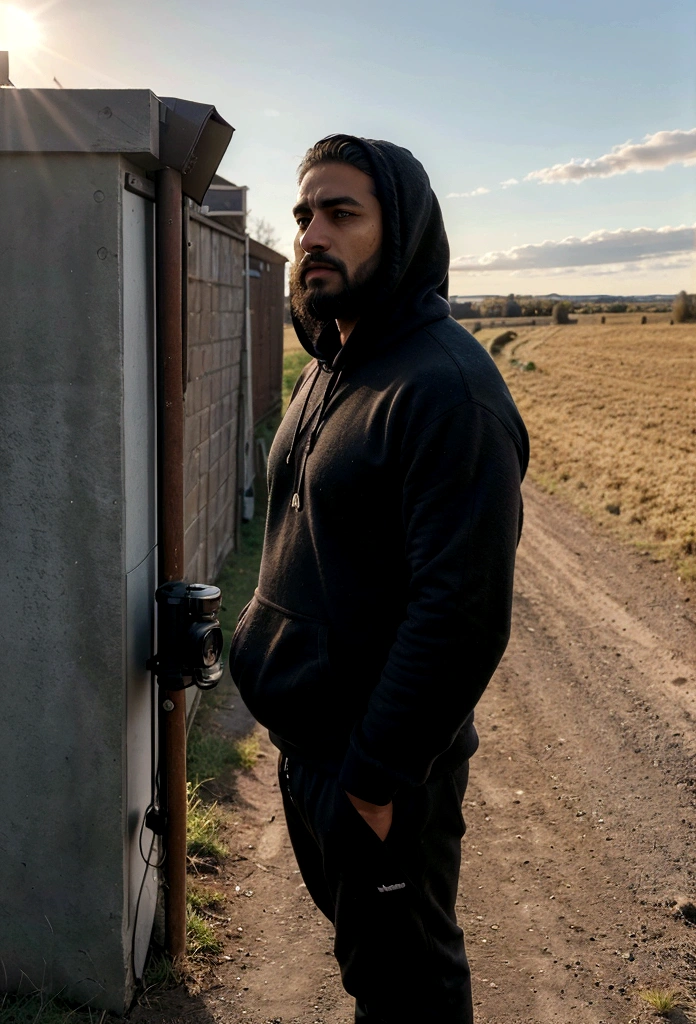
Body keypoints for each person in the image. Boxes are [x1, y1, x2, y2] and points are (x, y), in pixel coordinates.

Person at [230, 134, 529, 1024]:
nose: (311, 235)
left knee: (409, 991)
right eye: (303, 215)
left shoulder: (447, 391)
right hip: (312, 753)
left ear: (398, 234)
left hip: (380, 777)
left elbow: (462, 615)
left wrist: (375, 780)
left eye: (341, 213)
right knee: (372, 971)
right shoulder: (331, 365)